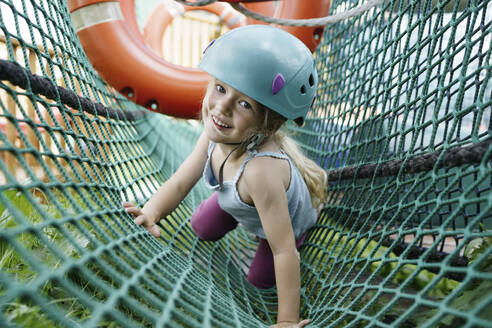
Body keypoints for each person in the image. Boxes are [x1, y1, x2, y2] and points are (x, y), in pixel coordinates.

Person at [123, 25, 327, 328]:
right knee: (201, 227)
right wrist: (151, 213)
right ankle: (234, 213)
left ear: (268, 124)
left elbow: (283, 251)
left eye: (244, 104)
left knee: (258, 280)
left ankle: (304, 227)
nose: (222, 108)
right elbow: (181, 181)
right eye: (220, 88)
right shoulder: (215, 134)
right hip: (241, 202)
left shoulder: (262, 172)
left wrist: (287, 320)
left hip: (280, 224)